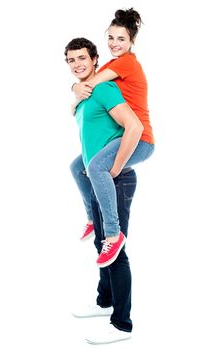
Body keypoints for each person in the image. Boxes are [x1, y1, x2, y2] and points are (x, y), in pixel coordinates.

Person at [69, 8, 154, 267]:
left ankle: (113, 234)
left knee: (97, 166)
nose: (115, 44)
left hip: (140, 137)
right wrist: (75, 88)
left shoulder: (127, 62)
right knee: (78, 165)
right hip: (124, 133)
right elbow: (89, 80)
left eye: (121, 39)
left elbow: (91, 83)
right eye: (111, 38)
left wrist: (75, 90)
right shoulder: (113, 65)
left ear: (131, 42)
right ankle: (93, 220)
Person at [73, 168, 137, 344]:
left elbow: (130, 143)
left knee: (116, 253)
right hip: (99, 182)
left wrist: (109, 171)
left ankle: (121, 324)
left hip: (117, 182)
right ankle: (105, 302)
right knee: (102, 245)